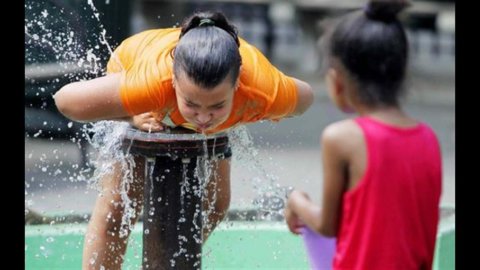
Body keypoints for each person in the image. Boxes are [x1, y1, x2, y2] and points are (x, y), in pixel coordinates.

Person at [54, 10, 314, 270]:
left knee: (216, 205)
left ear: (237, 86)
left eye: (215, 105)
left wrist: (252, 112)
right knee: (117, 211)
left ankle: (166, 262)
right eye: (192, 104)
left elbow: (305, 99)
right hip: (140, 72)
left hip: (214, 89)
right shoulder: (151, 84)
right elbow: (66, 101)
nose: (202, 118)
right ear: (175, 83)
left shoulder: (263, 89)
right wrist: (129, 115)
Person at [284, 1, 442, 269]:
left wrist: (296, 201)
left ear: (337, 80)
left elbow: (328, 226)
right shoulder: (428, 139)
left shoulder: (342, 139)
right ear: (401, 72)